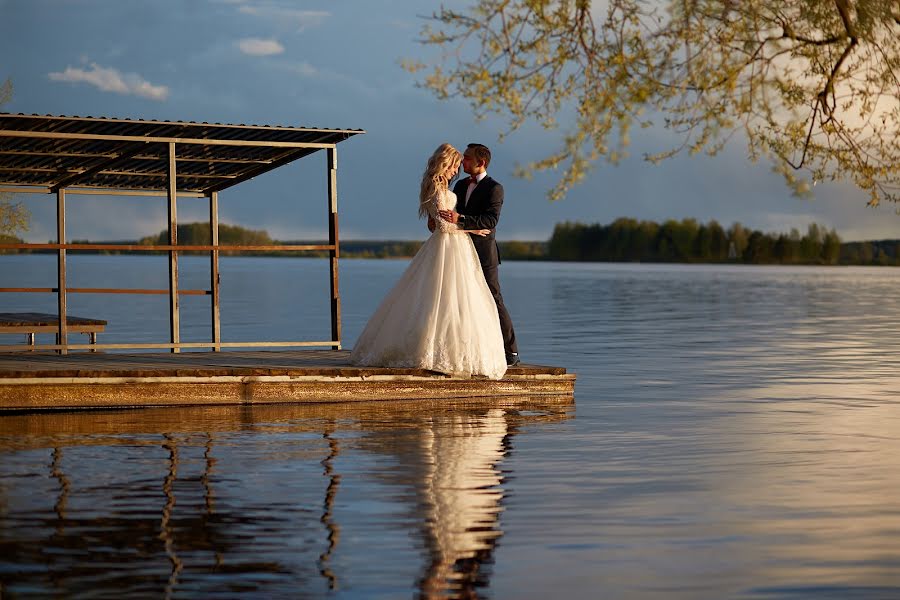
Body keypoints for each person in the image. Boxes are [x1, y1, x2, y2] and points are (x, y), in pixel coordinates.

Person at [350, 143, 507, 380]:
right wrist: (472, 231)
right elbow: (444, 226)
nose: (457, 169)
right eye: (455, 164)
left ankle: (462, 349)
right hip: (448, 247)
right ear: (446, 164)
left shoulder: (445, 185)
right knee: (440, 299)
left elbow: (441, 222)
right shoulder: (437, 186)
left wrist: (457, 223)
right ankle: (433, 350)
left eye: (461, 163)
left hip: (454, 248)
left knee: (457, 301)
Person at [438, 143, 519, 366]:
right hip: (459, 251)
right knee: (463, 300)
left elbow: (491, 221)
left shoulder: (495, 188)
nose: (462, 162)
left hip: (484, 254)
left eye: (467, 158)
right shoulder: (461, 185)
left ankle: (510, 350)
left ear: (480, 162)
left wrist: (461, 220)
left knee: (493, 298)